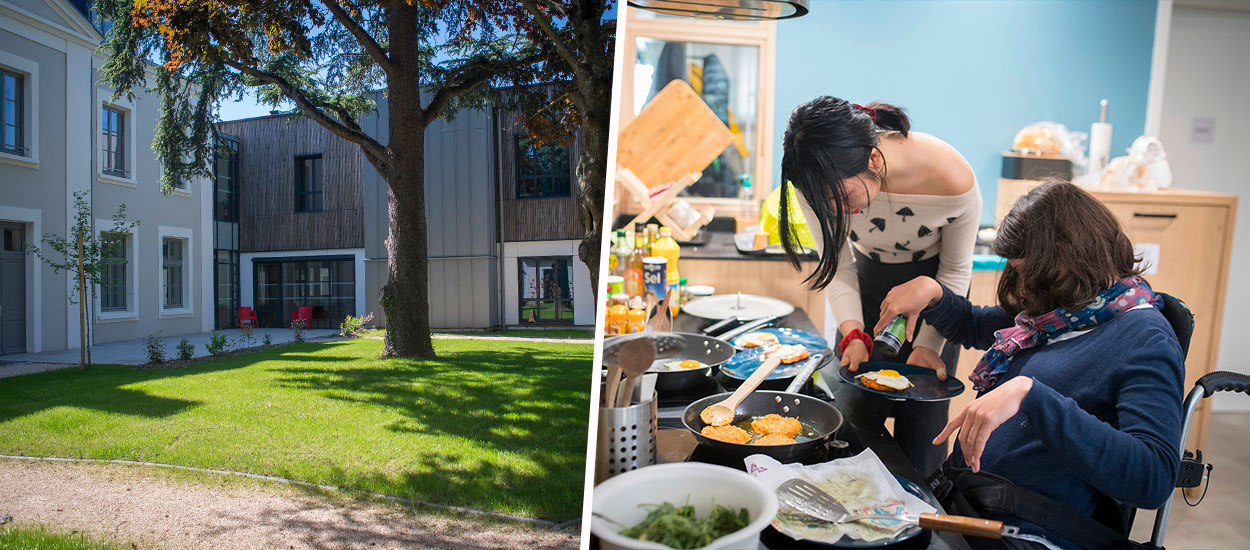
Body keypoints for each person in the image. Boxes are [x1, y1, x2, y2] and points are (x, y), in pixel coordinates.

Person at [875, 181, 1184, 549]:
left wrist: (1033, 397)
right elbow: (974, 323)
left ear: (1069, 258)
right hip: (966, 508)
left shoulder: (1145, 338)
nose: (1022, 288)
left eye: (1028, 273)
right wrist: (933, 293)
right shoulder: (1062, 310)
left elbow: (1152, 478)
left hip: (1029, 534)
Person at [778, 96, 981, 476]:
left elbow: (955, 272)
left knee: (923, 428)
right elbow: (838, 267)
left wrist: (927, 346)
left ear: (874, 159)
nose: (836, 211)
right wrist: (853, 332)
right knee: (849, 413)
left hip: (938, 295)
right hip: (869, 285)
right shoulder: (815, 178)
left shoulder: (951, 176)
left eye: (843, 198)